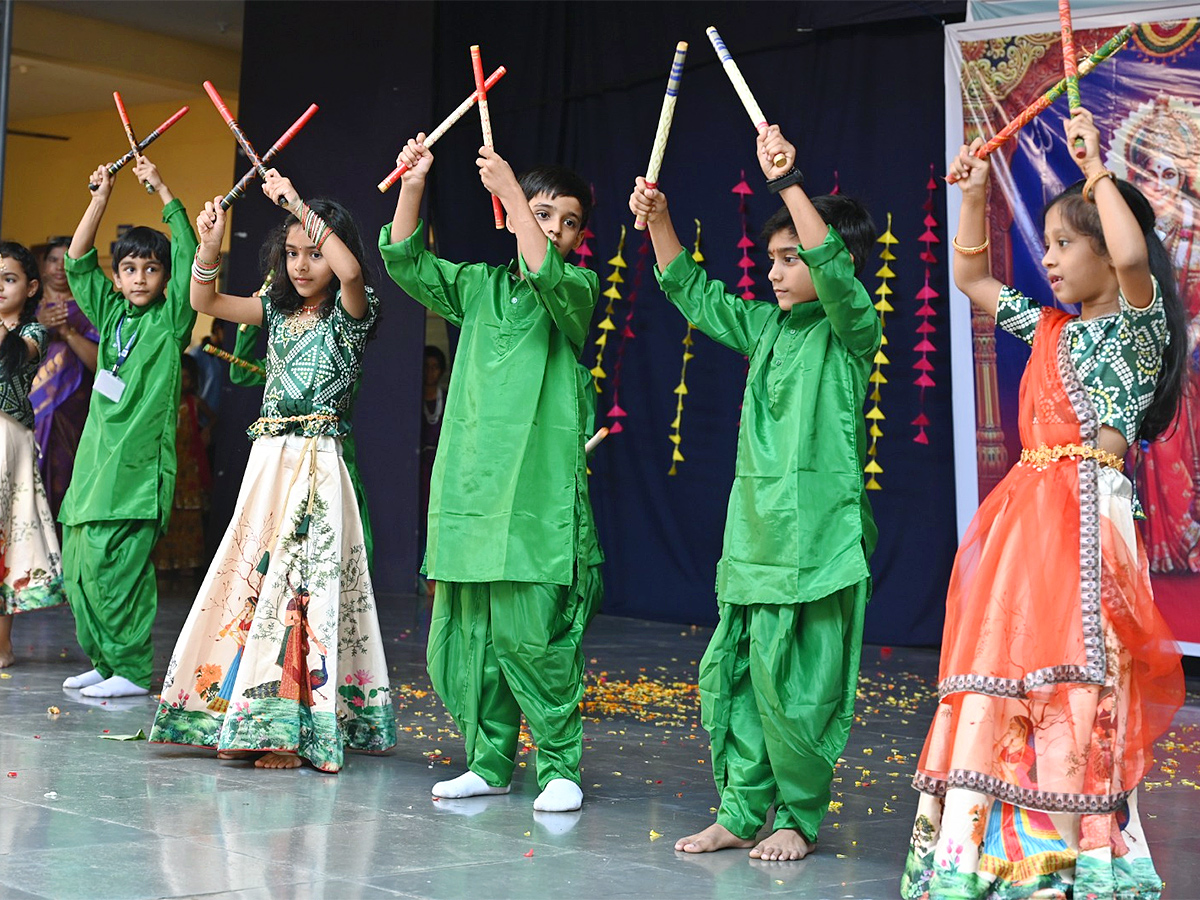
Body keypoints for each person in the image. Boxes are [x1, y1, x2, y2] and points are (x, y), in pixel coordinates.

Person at [902, 110, 1186, 899]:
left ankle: (1070, 865)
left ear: (1104, 245)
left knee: (1077, 686)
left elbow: (1136, 254)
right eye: (1049, 244)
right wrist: (976, 193)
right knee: (998, 678)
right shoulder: (1051, 329)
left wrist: (1096, 170)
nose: (1049, 259)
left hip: (1090, 521)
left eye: (1066, 243)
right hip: (1026, 524)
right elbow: (971, 280)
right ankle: (988, 862)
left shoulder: (1135, 327)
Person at [629, 125, 880, 861]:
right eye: (770, 259)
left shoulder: (851, 327)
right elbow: (695, 294)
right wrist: (661, 220)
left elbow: (832, 269)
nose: (775, 272)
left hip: (821, 542)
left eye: (788, 257)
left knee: (802, 689)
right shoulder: (766, 328)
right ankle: (740, 811)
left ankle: (797, 817)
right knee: (741, 680)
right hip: (757, 537)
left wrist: (788, 180)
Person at [381, 133, 601, 812]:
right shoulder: (476, 286)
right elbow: (405, 262)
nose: (556, 230)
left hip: (536, 500)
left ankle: (559, 766)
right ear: (509, 217)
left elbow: (551, 280)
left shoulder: (576, 288)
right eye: (544, 214)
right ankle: (488, 758)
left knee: (531, 636)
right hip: (471, 493)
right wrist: (414, 182)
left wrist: (511, 191)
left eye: (569, 222)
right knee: (469, 640)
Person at [149, 170, 394, 773]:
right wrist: (209, 245)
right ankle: (232, 712)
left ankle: (286, 732)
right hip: (269, 463)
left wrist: (295, 204)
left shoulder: (352, 313)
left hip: (316, 462)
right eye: (290, 253)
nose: (302, 265)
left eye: (314, 252)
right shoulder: (279, 315)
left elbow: (355, 273)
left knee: (300, 589)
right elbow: (202, 302)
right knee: (250, 579)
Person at [60, 155, 197, 699]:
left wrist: (162, 188)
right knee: (80, 573)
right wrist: (100, 198)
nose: (140, 277)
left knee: (120, 576)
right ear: (116, 278)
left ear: (164, 278)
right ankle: (103, 658)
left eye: (151, 268)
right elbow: (76, 261)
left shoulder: (171, 320)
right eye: (130, 268)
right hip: (94, 469)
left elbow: (189, 255)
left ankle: (133, 671)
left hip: (138, 474)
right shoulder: (111, 315)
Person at [223, 297, 375, 573]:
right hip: (287, 461)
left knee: (336, 552)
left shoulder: (342, 346)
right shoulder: (284, 364)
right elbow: (240, 372)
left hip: (331, 457)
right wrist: (252, 318)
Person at [0, 242, 66, 667]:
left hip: (7, 440)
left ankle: (2, 644)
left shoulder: (33, 331)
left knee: (6, 540)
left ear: (31, 287)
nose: (0, 287)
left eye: (8, 279)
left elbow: (12, 359)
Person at [30, 237, 99, 523]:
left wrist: (68, 332)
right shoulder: (25, 305)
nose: (60, 267)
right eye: (53, 259)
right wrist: (39, 326)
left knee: (64, 485)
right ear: (42, 267)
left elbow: (100, 364)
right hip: (27, 412)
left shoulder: (89, 308)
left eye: (66, 259)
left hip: (72, 414)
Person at [151, 353, 213, 576]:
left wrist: (207, 430)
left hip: (189, 468)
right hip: (168, 466)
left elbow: (213, 418)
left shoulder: (194, 403)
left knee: (189, 516)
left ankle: (189, 565)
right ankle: (165, 565)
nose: (183, 382)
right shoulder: (163, 401)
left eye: (188, 378)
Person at [418, 344, 447, 598]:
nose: (430, 372)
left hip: (440, 465)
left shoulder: (447, 398)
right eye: (425, 367)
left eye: (435, 367)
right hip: (418, 467)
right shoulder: (412, 398)